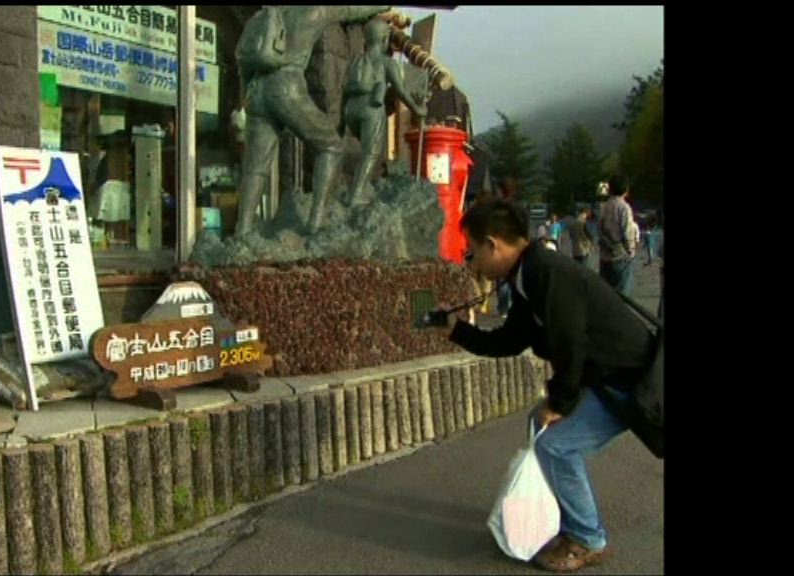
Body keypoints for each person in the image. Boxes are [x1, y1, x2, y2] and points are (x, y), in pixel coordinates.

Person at [431, 197, 658, 572]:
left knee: (556, 444)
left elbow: (571, 344)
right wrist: (456, 331)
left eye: (471, 252)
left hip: (629, 382)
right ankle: (563, 522)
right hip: (603, 376)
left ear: (493, 244)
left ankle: (588, 538)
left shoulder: (549, 273)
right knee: (541, 426)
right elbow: (509, 340)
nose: (471, 262)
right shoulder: (527, 276)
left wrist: (561, 402)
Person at [234, 6, 391, 235]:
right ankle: (316, 223)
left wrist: (246, 101)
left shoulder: (259, 17)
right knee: (331, 146)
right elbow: (348, 10)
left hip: (256, 91)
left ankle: (243, 230)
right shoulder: (310, 12)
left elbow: (243, 63)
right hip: (287, 85)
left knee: (255, 168)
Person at [340, 16, 428, 206]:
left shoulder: (356, 61)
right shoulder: (387, 62)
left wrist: (341, 121)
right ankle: (357, 193)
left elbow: (344, 90)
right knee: (370, 152)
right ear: (384, 39)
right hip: (371, 107)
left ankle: (358, 188)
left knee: (362, 150)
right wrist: (417, 108)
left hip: (351, 109)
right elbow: (401, 89)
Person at [597, 176, 639, 296]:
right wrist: (630, 250)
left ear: (610, 189)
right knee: (621, 294)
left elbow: (599, 229)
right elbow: (626, 231)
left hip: (605, 255)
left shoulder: (603, 206)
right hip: (620, 256)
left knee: (606, 293)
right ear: (626, 190)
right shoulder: (624, 207)